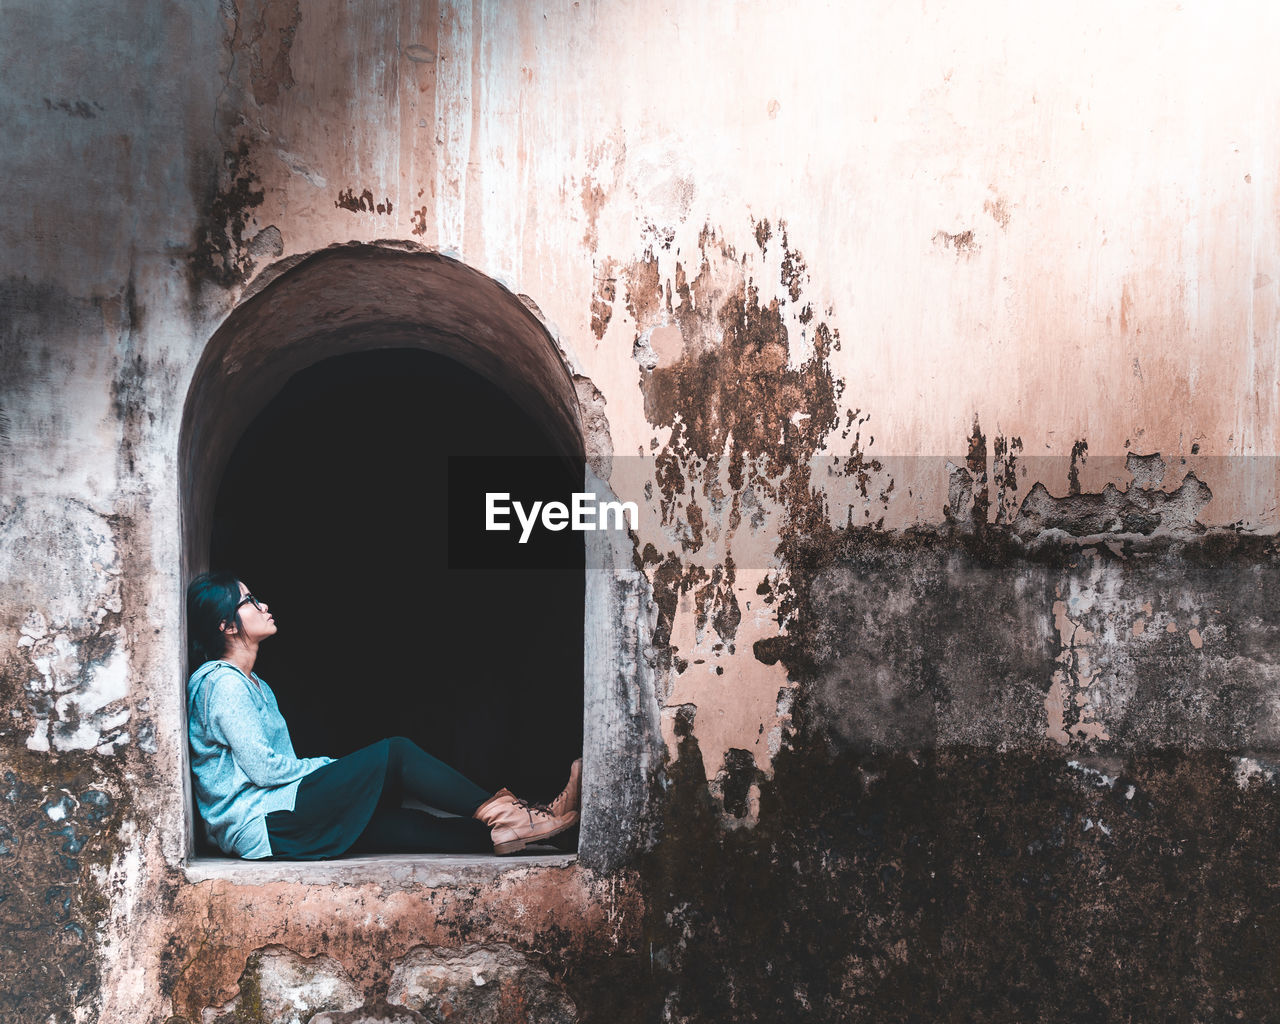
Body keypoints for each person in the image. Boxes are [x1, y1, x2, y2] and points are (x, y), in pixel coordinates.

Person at [185, 570, 581, 860]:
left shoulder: (254, 684)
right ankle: (509, 814)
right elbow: (266, 771)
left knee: (406, 828)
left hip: (276, 820)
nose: (263, 605)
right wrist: (331, 768)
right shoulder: (223, 684)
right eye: (249, 601)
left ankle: (538, 830)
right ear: (226, 625)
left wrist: (334, 774)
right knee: (395, 754)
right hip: (262, 823)